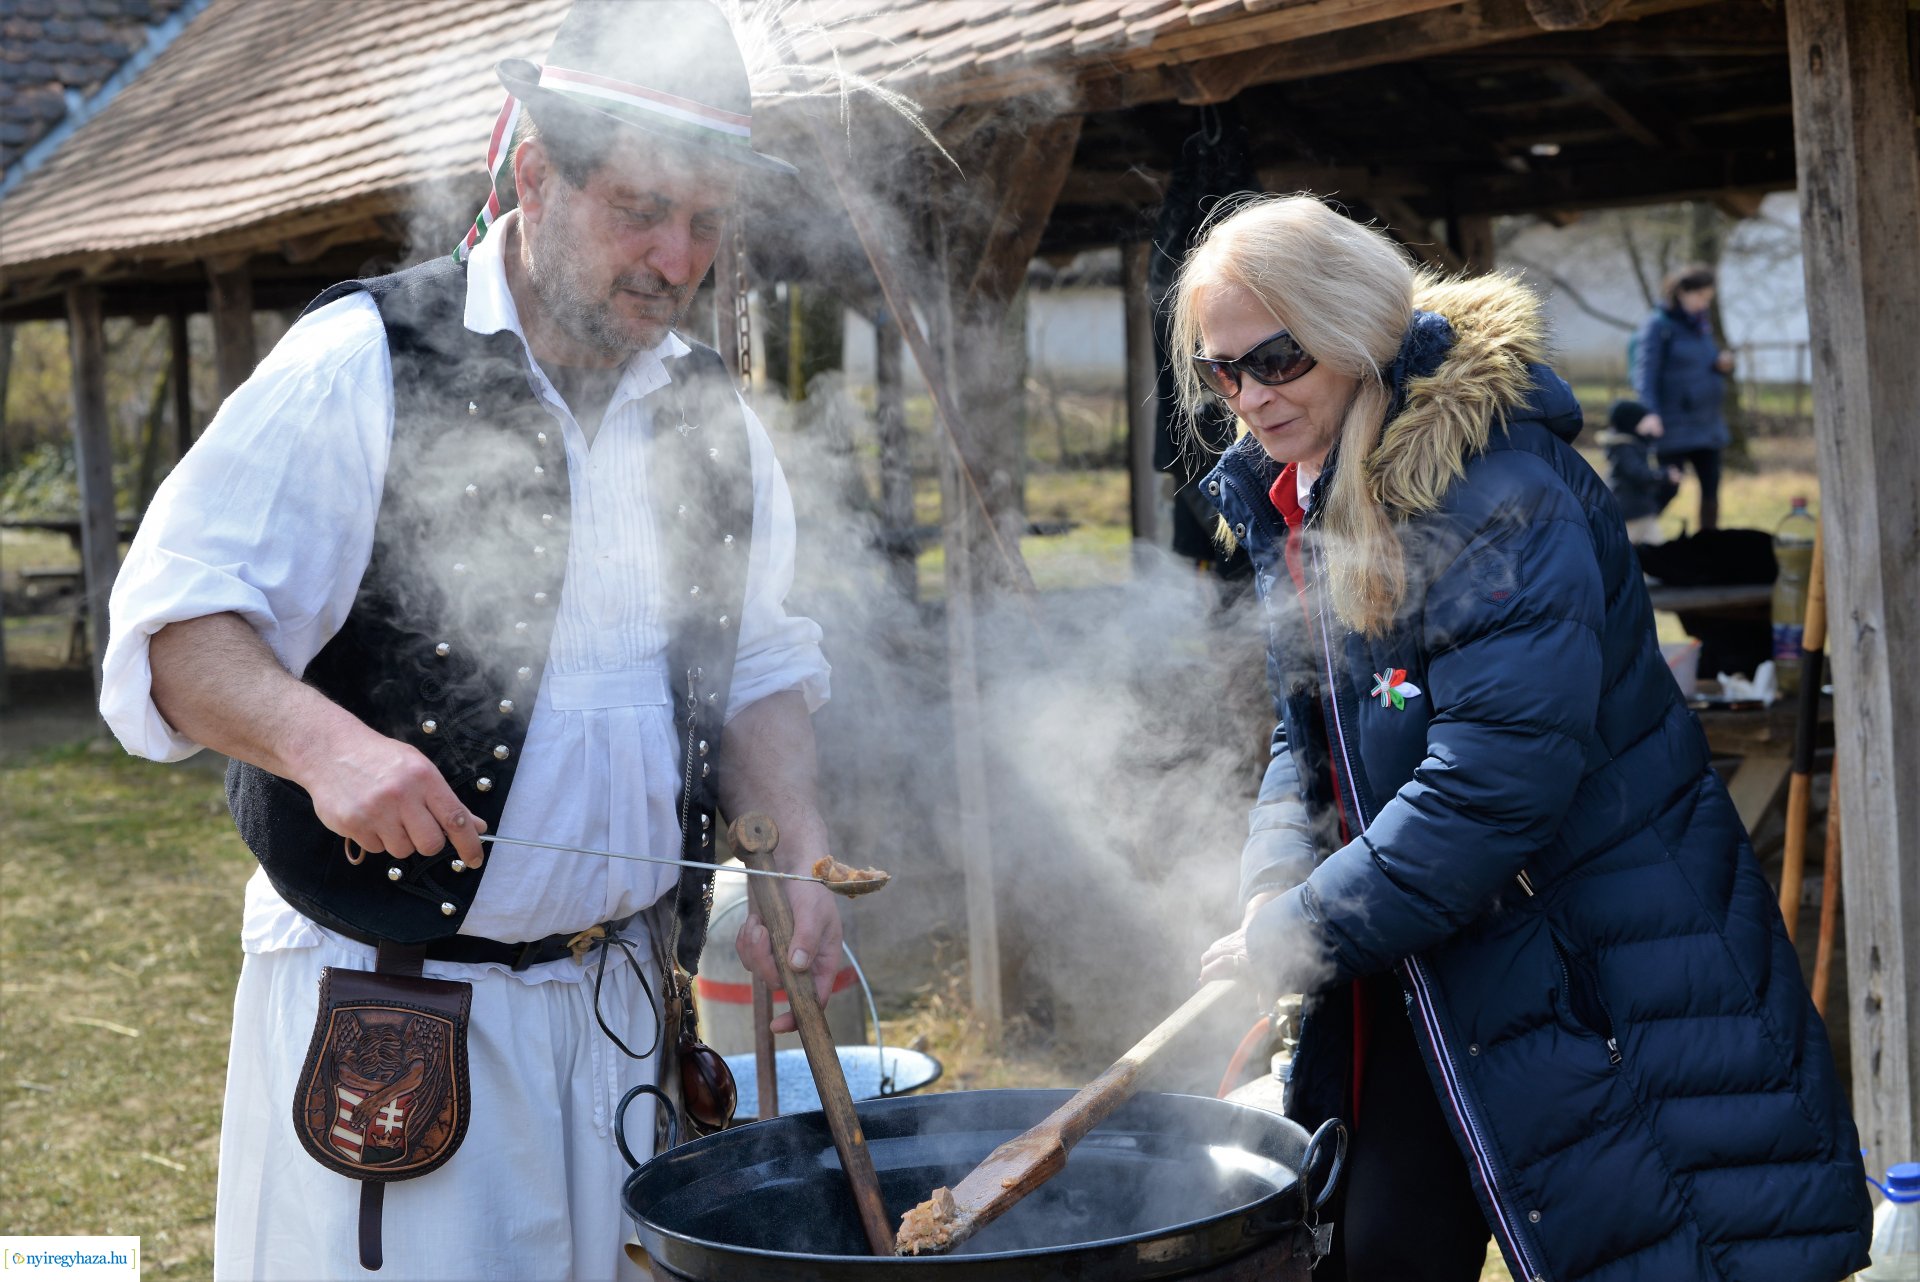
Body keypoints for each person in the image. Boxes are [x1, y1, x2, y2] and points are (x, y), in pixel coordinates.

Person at [101, 4, 840, 1279]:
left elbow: (761, 663)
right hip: (399, 1014)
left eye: (708, 222)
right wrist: (323, 746)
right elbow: (175, 629)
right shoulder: (360, 366)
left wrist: (799, 853)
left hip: (624, 1014)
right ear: (537, 172)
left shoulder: (709, 414)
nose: (676, 257)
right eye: (641, 208)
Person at [1180, 197, 1870, 1282]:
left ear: (1355, 326)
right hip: (1418, 956)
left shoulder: (1496, 489)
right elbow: (1305, 731)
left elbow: (1495, 782)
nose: (1251, 395)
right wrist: (1276, 877)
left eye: (1276, 357)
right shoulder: (1297, 495)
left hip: (1600, 967)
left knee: (1680, 1250)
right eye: (1223, 372)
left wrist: (1311, 922)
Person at [1632, 264, 1735, 532]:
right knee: (1669, 487)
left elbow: (1694, 363)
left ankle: (1707, 548)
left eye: (1708, 298)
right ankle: (1632, 537)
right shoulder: (1658, 325)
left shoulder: (1701, 326)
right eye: (1700, 296)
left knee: (1711, 488)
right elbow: (1645, 373)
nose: (1704, 303)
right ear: (1682, 293)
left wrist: (1719, 365)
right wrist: (1650, 412)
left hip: (1706, 422)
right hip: (1673, 424)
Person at [1598, 398, 1683, 544]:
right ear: (1632, 423)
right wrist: (1664, 474)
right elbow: (1638, 473)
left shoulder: (1634, 444)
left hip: (1641, 511)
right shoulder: (1624, 448)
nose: (1648, 422)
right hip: (1630, 512)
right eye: (1644, 420)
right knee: (1623, 551)